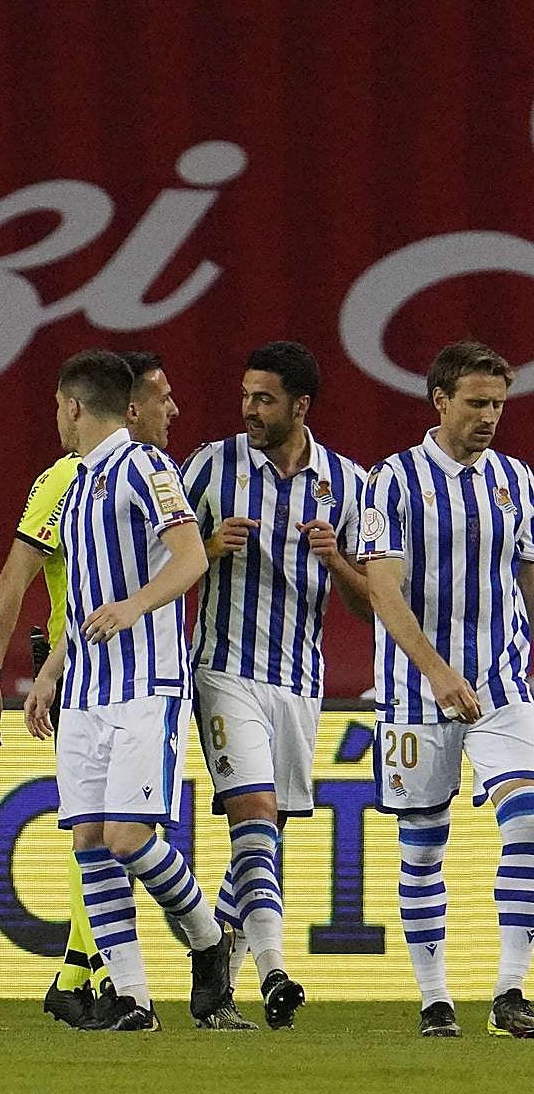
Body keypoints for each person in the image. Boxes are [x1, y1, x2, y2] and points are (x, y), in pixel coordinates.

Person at [0, 351, 178, 1027]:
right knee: (97, 835)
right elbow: (14, 576)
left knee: (101, 837)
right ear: (128, 405)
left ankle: (85, 975)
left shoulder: (139, 476)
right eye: (161, 398)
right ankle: (94, 972)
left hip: (119, 669)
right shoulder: (65, 480)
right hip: (84, 674)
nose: (171, 411)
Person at [24, 349, 230, 1031]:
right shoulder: (78, 487)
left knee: (127, 836)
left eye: (59, 408)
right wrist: (49, 676)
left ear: (76, 407)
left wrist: (136, 607)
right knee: (89, 841)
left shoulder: (146, 467)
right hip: (84, 689)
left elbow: (192, 556)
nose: (57, 420)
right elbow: (86, 602)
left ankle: (207, 939)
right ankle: (134, 999)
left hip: (145, 685)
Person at [181, 341, 370, 1029]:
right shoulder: (209, 465)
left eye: (263, 399)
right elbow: (156, 567)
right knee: (255, 814)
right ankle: (276, 972)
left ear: (300, 405)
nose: (249, 410)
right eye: (245, 396)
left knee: (264, 835)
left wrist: (339, 562)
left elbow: (371, 602)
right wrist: (206, 549)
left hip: (299, 681)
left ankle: (214, 979)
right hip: (225, 671)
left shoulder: (350, 484)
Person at [359, 341, 534, 1039]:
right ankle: (435, 999)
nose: (490, 416)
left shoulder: (518, 481)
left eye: (498, 404)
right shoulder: (393, 482)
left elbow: (525, 577)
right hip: (413, 692)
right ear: (439, 399)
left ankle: (511, 990)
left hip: (501, 684)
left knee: (527, 822)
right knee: (422, 849)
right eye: (476, 403)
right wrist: (435, 670)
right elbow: (382, 587)